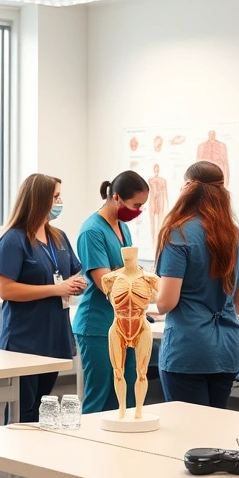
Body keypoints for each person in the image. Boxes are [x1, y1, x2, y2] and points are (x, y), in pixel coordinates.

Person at [154, 161, 239, 408]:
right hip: (227, 348)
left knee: (188, 433)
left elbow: (166, 302)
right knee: (214, 431)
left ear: (188, 187)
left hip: (188, 348)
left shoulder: (179, 234)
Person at [0, 173, 86, 422]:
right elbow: (6, 290)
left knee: (41, 407)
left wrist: (78, 284)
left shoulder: (58, 236)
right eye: (55, 197)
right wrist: (56, 289)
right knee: (22, 409)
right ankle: (11, 458)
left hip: (54, 334)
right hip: (25, 337)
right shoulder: (13, 240)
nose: (59, 202)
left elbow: (74, 271)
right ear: (39, 200)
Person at [73, 171, 150, 414]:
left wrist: (127, 274)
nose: (138, 210)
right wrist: (125, 274)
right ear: (116, 197)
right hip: (97, 324)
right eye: (136, 205)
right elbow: (106, 283)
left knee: (125, 396)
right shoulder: (92, 231)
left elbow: (126, 271)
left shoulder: (122, 228)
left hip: (125, 322)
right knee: (100, 395)